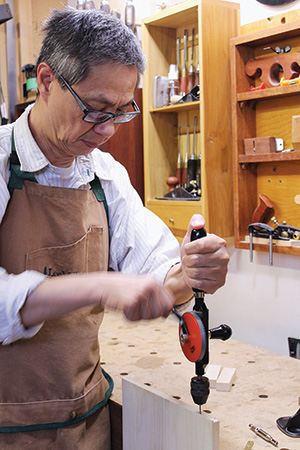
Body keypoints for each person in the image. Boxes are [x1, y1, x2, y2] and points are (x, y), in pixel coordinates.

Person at [0, 7, 229, 449]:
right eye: (96, 109)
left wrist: (190, 271)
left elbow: (154, 269)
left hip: (88, 422)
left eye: (123, 111)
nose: (107, 130)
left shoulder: (104, 175)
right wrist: (99, 287)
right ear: (46, 81)